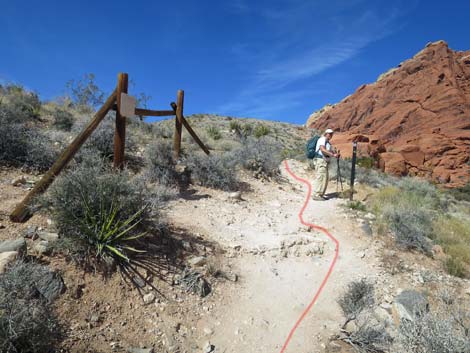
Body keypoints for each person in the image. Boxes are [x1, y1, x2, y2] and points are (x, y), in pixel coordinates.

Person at [312, 128, 339, 200]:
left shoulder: (328, 143)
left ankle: (320, 194)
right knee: (321, 177)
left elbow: (329, 151)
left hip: (325, 161)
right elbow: (322, 149)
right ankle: (316, 195)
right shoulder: (322, 139)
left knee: (325, 178)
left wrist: (334, 153)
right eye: (329, 134)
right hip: (320, 160)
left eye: (331, 134)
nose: (330, 135)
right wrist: (333, 155)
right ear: (326, 133)